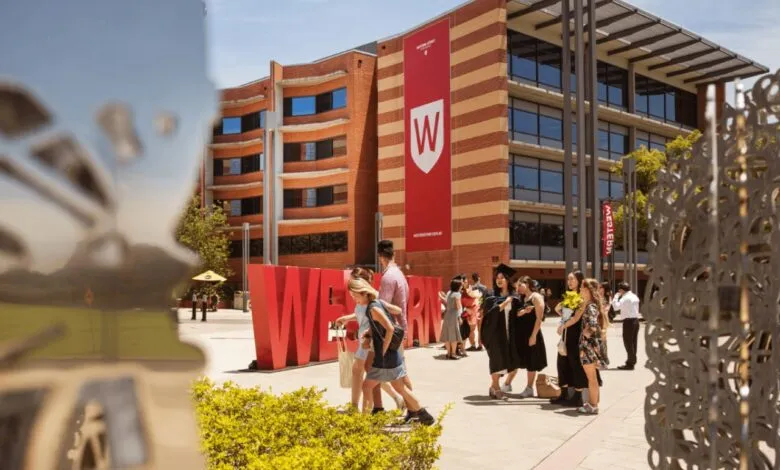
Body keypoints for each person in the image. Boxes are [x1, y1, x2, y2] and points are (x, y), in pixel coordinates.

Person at [347, 277, 434, 425]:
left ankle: (363, 423)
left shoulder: (373, 308)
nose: (355, 300)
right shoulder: (378, 303)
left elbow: (390, 328)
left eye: (355, 296)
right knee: (400, 388)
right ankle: (423, 414)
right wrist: (368, 333)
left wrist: (383, 350)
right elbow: (382, 324)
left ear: (363, 293)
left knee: (366, 387)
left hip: (385, 358)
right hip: (392, 356)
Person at [335, 268, 405, 411]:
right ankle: (394, 399)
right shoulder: (360, 297)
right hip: (364, 341)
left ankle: (358, 407)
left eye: (354, 279)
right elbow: (361, 315)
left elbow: (393, 311)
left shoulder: (374, 298)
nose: (352, 283)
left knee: (365, 373)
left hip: (371, 342)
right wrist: (347, 318)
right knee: (367, 373)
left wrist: (388, 311)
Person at [372, 239, 412, 414]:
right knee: (401, 373)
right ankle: (413, 408)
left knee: (395, 375)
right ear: (393, 254)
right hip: (401, 328)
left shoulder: (388, 277)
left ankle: (414, 408)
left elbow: (383, 306)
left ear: (380, 257)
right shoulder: (400, 275)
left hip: (392, 331)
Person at [550, 270, 595, 408]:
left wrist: (563, 325)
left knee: (575, 364)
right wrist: (562, 311)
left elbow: (576, 318)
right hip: (565, 334)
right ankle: (563, 393)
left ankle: (577, 396)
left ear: (579, 281)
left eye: (572, 279)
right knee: (562, 363)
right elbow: (559, 310)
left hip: (575, 335)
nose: (569, 282)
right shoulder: (569, 296)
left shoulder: (581, 297)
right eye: (568, 279)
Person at [480, 264, 522, 399]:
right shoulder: (491, 296)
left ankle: (493, 387)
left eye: (502, 278)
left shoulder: (514, 297)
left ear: (507, 280)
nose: (499, 280)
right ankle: (497, 388)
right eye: (497, 278)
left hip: (509, 334)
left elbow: (515, 315)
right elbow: (489, 314)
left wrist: (523, 312)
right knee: (496, 360)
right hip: (495, 334)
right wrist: (504, 304)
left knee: (507, 361)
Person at [503, 276, 548, 398]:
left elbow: (539, 319)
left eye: (520, 285)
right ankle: (508, 384)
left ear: (527, 284)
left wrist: (533, 336)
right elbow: (517, 314)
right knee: (521, 359)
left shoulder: (536, 297)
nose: (518, 288)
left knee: (532, 361)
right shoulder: (522, 298)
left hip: (532, 333)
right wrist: (523, 312)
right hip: (522, 334)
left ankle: (529, 388)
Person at [572, 278, 608, 414]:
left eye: (582, 287)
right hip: (589, 347)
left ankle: (593, 405)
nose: (580, 290)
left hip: (588, 348)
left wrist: (585, 336)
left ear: (588, 290)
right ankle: (593, 403)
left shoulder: (590, 306)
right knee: (592, 378)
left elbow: (593, 325)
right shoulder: (591, 304)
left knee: (591, 378)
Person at [612, 281, 640, 370]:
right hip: (636, 321)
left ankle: (630, 363)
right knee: (633, 343)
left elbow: (616, 307)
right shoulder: (634, 296)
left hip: (629, 322)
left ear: (621, 290)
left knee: (628, 343)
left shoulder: (625, 298)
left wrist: (616, 297)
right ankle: (631, 361)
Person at [440, 278, 464, 360]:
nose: (461, 287)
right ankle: (453, 354)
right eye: (461, 285)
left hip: (447, 315)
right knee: (454, 335)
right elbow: (458, 307)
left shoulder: (449, 293)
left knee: (447, 334)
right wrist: (460, 317)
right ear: (458, 286)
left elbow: (446, 303)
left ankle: (448, 353)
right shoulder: (457, 294)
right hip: (454, 315)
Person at [471, 272, 489, 350]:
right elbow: (486, 300)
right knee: (480, 328)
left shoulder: (471, 288)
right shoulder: (484, 288)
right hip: (481, 309)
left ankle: (473, 345)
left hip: (473, 309)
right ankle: (480, 344)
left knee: (472, 329)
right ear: (479, 278)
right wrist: (483, 309)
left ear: (473, 279)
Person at [598, 282, 612, 369]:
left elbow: (606, 309)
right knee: (598, 340)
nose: (599, 289)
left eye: (600, 288)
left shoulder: (607, 298)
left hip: (603, 320)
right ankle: (602, 360)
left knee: (603, 340)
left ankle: (604, 359)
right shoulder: (597, 297)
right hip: (597, 319)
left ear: (604, 289)